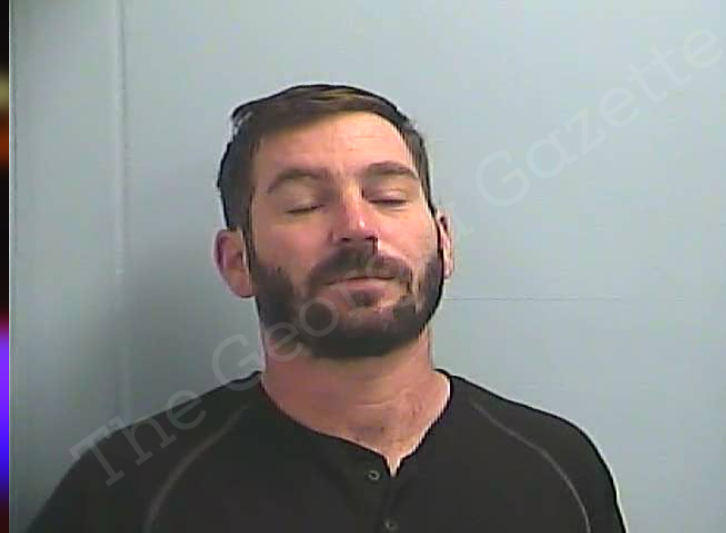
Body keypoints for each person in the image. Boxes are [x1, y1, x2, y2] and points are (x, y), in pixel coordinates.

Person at [29, 84, 627, 532]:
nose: (358, 227)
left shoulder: (559, 469)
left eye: (388, 196)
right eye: (304, 205)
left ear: (444, 242)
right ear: (237, 261)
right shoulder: (127, 493)